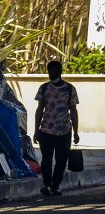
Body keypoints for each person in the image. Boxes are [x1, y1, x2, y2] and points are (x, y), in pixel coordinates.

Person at [33, 61, 79, 196]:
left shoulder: (70, 89)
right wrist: (36, 130)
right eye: (49, 71)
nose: (50, 74)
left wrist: (76, 132)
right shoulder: (44, 88)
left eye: (53, 71)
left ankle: (56, 185)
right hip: (46, 131)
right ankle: (47, 185)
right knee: (46, 160)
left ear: (59, 72)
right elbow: (39, 110)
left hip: (64, 131)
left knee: (61, 161)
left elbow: (74, 111)